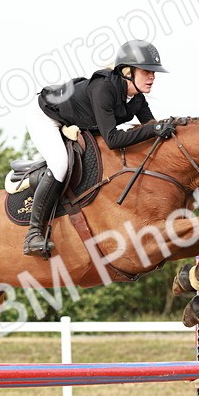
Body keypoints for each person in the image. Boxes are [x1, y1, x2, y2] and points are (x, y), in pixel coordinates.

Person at [23, 39, 176, 256]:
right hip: (45, 116)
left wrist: (173, 128)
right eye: (146, 71)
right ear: (127, 71)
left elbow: (151, 129)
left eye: (153, 72)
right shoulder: (104, 88)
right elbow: (113, 139)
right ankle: (33, 234)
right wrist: (156, 129)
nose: (152, 77)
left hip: (76, 119)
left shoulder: (137, 98)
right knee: (60, 164)